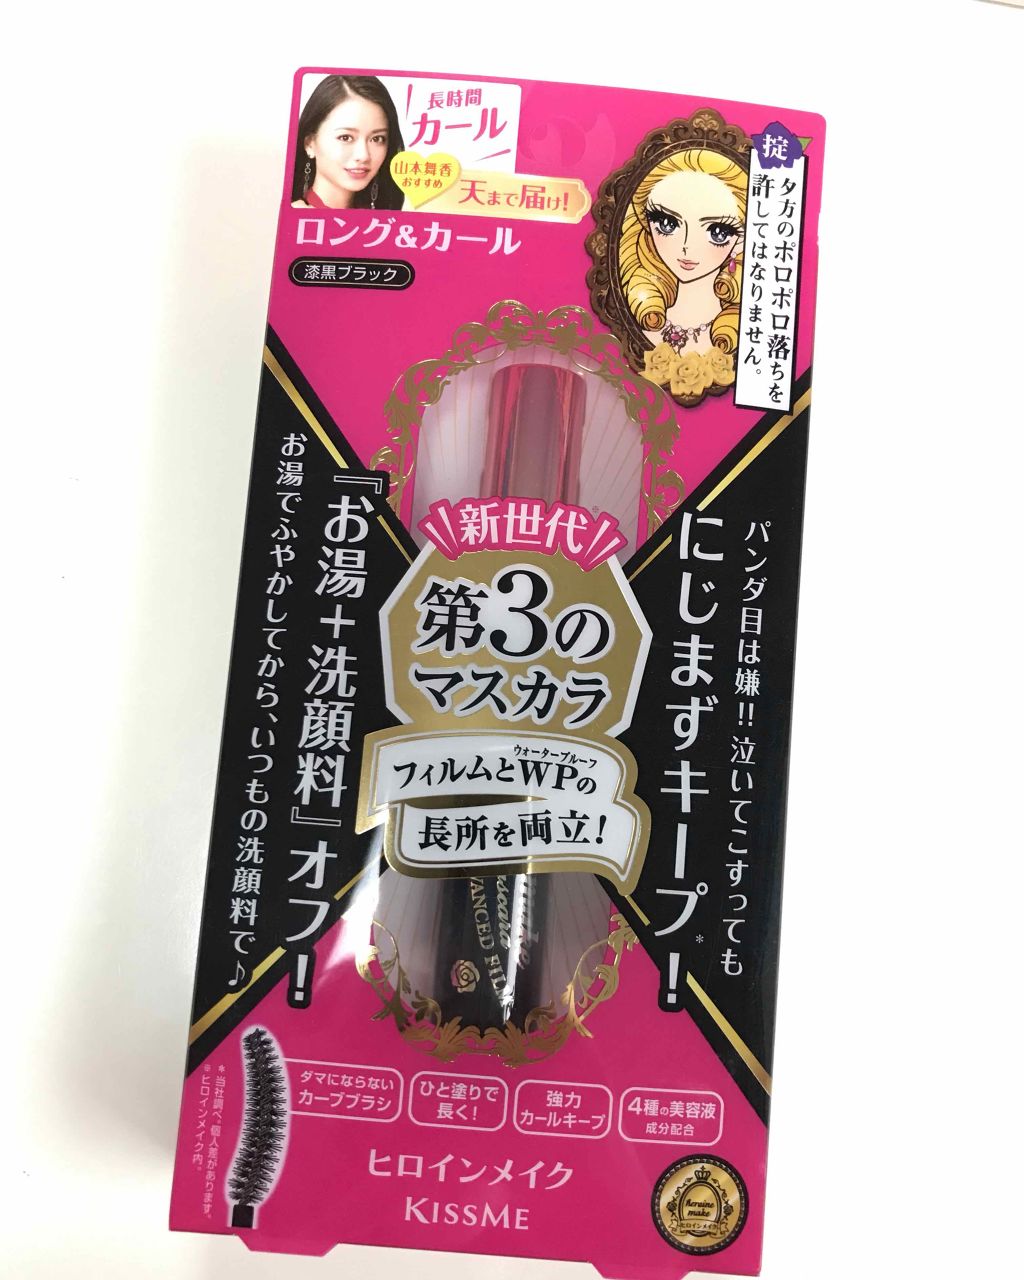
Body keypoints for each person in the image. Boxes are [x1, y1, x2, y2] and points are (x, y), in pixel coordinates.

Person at [620, 146, 746, 404]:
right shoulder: (644, 315)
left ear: (741, 240)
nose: (687, 246)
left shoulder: (742, 327)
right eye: (667, 224)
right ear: (646, 224)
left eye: (717, 232)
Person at [291, 75, 405, 210]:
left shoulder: (388, 218)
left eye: (377, 139)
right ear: (310, 143)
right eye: (345, 137)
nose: (363, 155)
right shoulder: (289, 214)